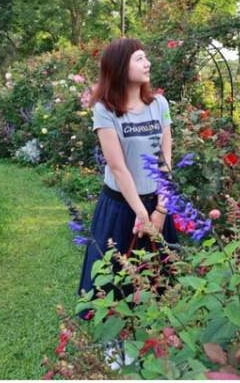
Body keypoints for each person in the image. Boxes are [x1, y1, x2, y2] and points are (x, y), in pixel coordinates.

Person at [78, 38, 180, 316]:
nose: (148, 63)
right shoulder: (105, 110)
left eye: (146, 57)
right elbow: (118, 167)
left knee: (160, 278)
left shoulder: (159, 104)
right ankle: (115, 339)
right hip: (121, 208)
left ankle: (157, 333)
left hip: (157, 204)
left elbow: (165, 160)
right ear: (120, 67)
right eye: (139, 58)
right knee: (114, 278)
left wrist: (160, 210)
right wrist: (142, 214)